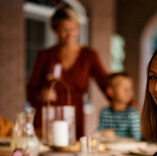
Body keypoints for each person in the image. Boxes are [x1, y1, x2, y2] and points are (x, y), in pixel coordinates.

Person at [27, 4, 108, 139]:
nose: (70, 34)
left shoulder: (89, 55)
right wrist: (42, 94)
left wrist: (128, 104)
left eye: (74, 29)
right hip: (48, 118)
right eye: (64, 30)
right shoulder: (45, 55)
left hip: (74, 118)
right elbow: (31, 91)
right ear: (55, 29)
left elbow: (107, 84)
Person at [98, 72, 142, 141]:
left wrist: (115, 138)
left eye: (130, 88)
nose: (128, 91)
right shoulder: (104, 112)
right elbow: (99, 134)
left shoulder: (133, 114)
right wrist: (103, 134)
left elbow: (137, 139)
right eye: (124, 88)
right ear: (110, 91)